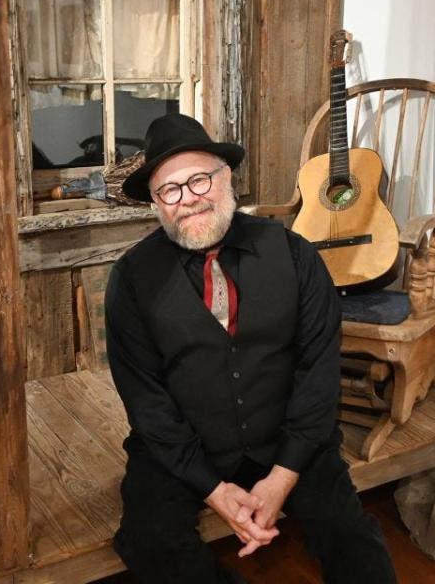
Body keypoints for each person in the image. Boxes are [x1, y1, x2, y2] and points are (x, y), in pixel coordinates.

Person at [105, 113, 397, 583]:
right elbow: (146, 401)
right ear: (157, 205)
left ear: (228, 179)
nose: (189, 199)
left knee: (350, 535)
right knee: (151, 540)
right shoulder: (130, 280)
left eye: (200, 179)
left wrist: (283, 475)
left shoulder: (296, 255)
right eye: (170, 190)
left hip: (287, 434)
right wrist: (213, 490)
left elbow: (317, 373)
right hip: (184, 447)